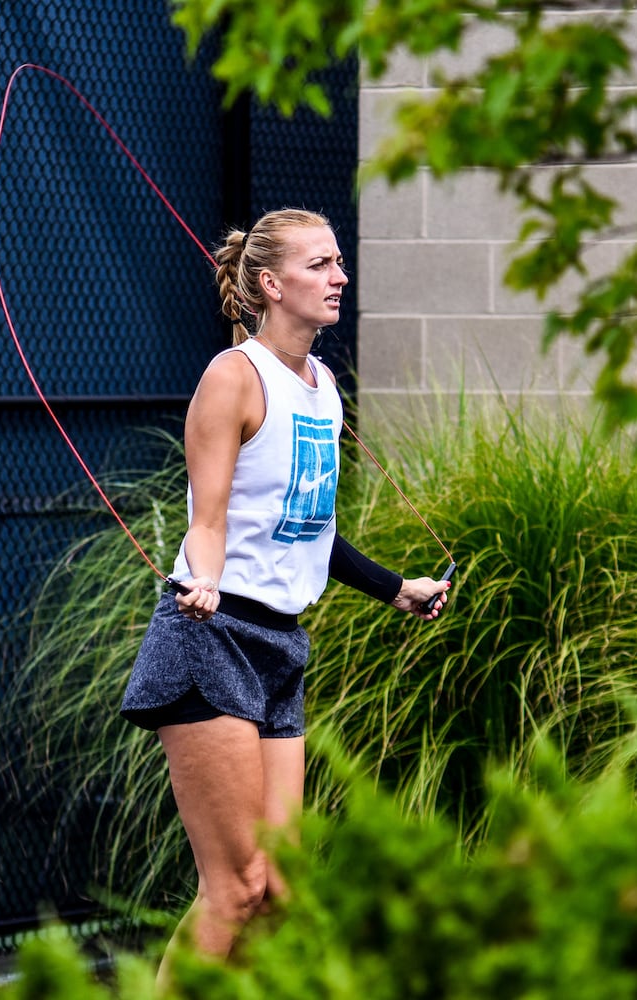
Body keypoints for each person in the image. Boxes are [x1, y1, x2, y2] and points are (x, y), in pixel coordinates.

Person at [119, 208, 451, 977]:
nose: (340, 277)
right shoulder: (232, 377)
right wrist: (198, 577)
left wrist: (396, 588)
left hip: (281, 648)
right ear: (270, 284)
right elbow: (211, 520)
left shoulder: (322, 386)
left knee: (281, 891)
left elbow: (307, 528)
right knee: (235, 890)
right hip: (210, 638)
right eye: (320, 265)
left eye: (339, 262)